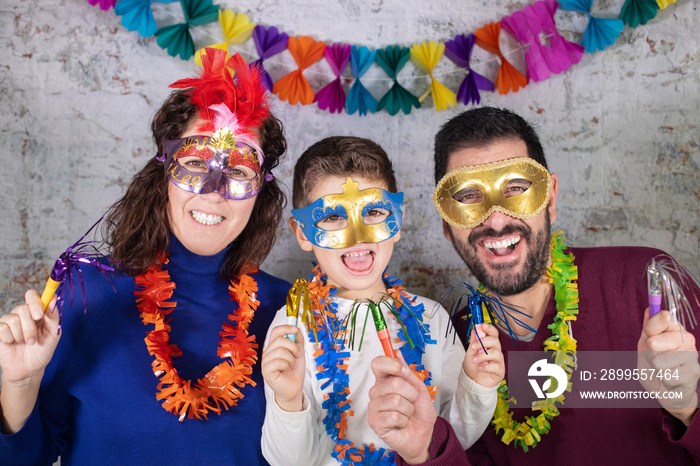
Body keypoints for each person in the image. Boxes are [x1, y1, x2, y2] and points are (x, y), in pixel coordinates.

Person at [0, 49, 290, 465]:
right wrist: (21, 381)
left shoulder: (288, 310)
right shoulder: (88, 295)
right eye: (195, 162)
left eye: (239, 170)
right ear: (164, 173)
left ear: (260, 189)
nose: (214, 188)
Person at [382, 106, 700, 465]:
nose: (497, 219)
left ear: (549, 198)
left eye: (516, 188)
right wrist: (424, 452)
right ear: (447, 224)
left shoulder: (645, 284)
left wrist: (689, 407)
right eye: (469, 197)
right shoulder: (451, 345)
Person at [259, 136, 504, 466]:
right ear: (303, 232)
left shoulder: (431, 319)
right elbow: (287, 461)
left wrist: (478, 386)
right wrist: (287, 399)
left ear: (397, 218)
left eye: (374, 211)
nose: (357, 235)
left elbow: (453, 438)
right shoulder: (293, 324)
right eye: (332, 217)